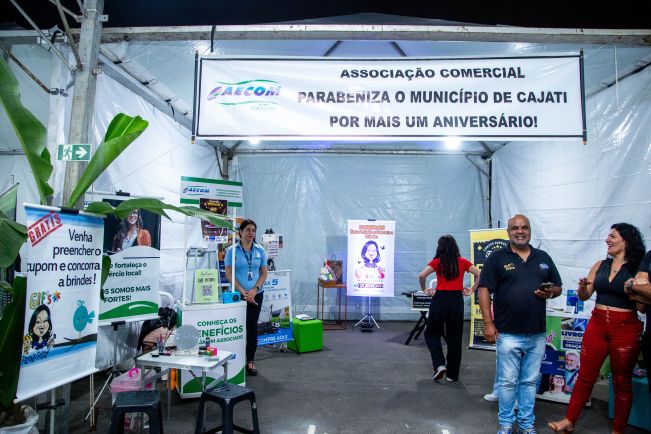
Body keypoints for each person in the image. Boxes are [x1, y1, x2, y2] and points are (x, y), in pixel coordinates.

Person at [549, 223, 646, 434]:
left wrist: (634, 289)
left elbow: (642, 307)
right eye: (608, 236)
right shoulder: (600, 265)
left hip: (625, 328)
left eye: (613, 236)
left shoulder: (639, 269)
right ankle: (569, 420)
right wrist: (582, 288)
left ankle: (618, 430)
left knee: (621, 381)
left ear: (627, 241)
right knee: (585, 375)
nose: (607, 240)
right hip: (598, 324)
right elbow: (585, 296)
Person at [478, 214, 562, 434]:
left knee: (530, 382)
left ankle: (526, 425)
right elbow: (484, 290)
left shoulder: (543, 257)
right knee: (507, 382)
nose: (520, 231)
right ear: (508, 232)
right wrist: (488, 323)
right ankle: (506, 425)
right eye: (515, 228)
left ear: (530, 230)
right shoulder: (497, 258)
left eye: (524, 227)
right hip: (507, 333)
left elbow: (558, 287)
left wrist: (550, 292)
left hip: (537, 333)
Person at [419, 235, 480, 382]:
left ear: (440, 247)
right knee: (455, 338)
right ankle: (452, 375)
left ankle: (440, 364)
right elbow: (480, 274)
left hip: (440, 299)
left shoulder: (437, 262)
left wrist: (425, 289)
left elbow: (421, 275)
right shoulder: (463, 261)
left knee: (431, 333)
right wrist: (472, 289)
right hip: (456, 301)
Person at [224, 219, 268, 376]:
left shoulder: (260, 250)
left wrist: (254, 290)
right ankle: (234, 360)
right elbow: (228, 274)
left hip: (256, 295)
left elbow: (264, 273)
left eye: (253, 230)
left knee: (251, 327)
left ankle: (250, 361)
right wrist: (243, 292)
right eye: (248, 229)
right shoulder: (232, 251)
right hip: (238, 295)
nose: (251, 233)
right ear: (240, 232)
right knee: (236, 327)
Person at [625, 248, 651, 394]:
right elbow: (640, 305)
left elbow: (634, 286)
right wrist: (635, 287)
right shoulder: (650, 255)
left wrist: (632, 285)